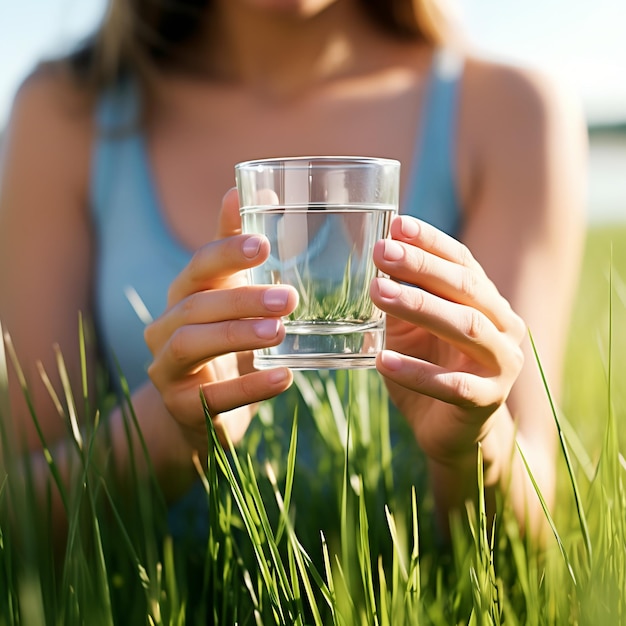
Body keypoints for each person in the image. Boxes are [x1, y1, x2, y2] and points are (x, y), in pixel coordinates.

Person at [0, 0, 587, 540]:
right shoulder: (66, 110)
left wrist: (476, 446)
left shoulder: (511, 112)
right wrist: (164, 438)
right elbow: (18, 516)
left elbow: (535, 540)